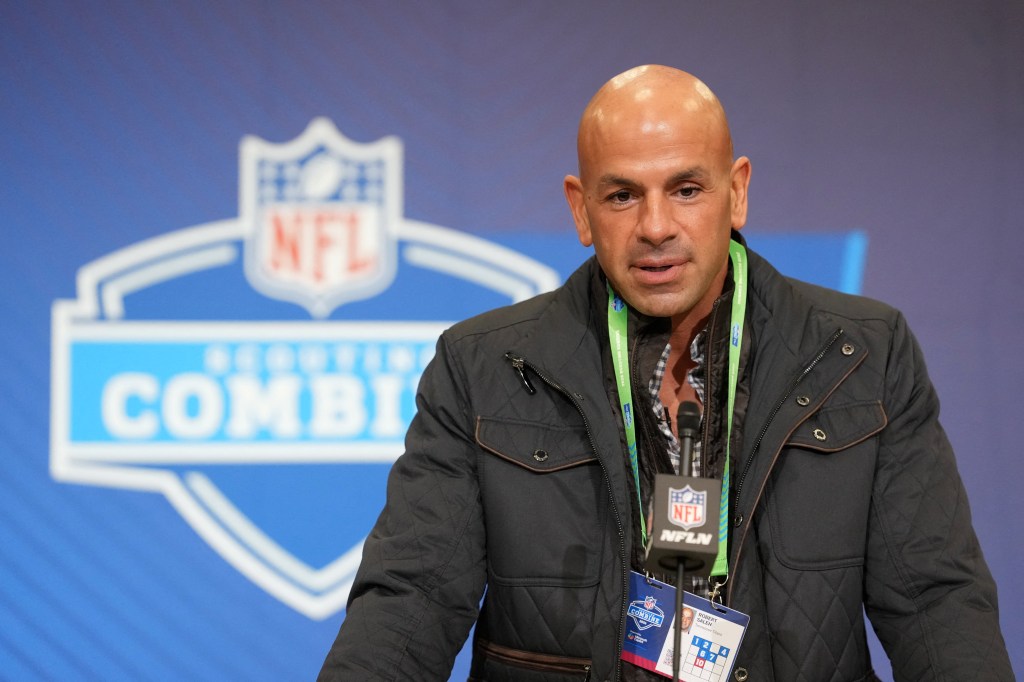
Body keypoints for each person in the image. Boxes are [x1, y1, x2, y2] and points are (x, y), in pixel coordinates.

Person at [319, 65, 1012, 681]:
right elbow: (411, 599)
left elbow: (933, 600)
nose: (655, 226)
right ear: (580, 207)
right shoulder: (482, 366)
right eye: (622, 195)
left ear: (736, 193)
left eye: (685, 189)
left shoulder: (861, 351)